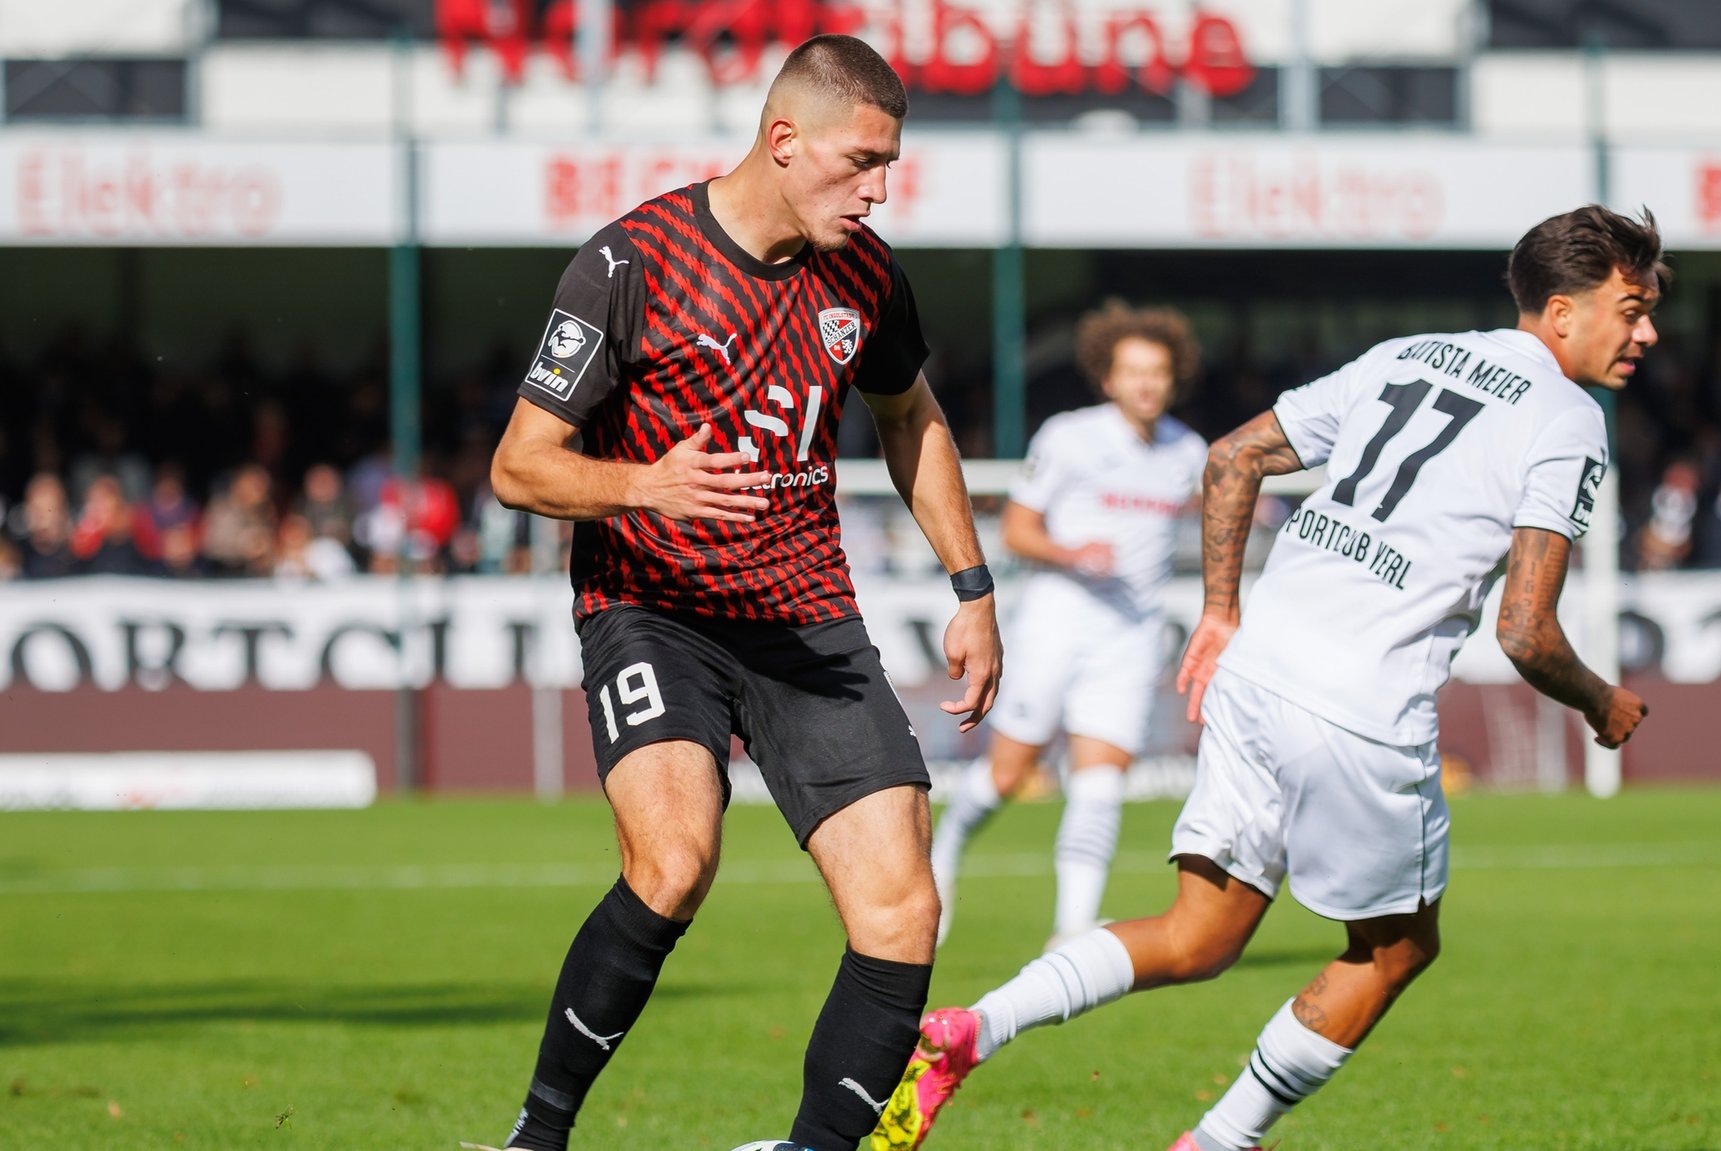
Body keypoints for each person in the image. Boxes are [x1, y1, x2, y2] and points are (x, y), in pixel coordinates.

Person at [870, 205, 1658, 1151]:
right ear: (1563, 311)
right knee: (1397, 948)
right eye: (1632, 307)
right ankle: (1217, 1142)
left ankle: (969, 1028)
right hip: (1361, 705)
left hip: (1257, 669)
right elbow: (1527, 631)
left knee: (1201, 933)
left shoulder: (1407, 355)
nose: (1646, 331)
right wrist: (1600, 700)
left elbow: (1233, 455)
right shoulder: (1569, 417)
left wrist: (1218, 609)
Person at [481, 36, 1001, 1151]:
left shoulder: (865, 274)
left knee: (904, 906)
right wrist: (640, 483)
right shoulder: (631, 264)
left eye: (889, 167)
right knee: (672, 862)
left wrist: (972, 583)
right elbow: (517, 465)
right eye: (860, 162)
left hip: (802, 615)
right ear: (782, 140)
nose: (876, 190)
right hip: (651, 605)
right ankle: (537, 1134)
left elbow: (907, 415)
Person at [930, 302, 1207, 951]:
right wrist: (1073, 553)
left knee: (1101, 777)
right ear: (1106, 379)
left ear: (1173, 379)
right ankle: (947, 844)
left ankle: (1072, 926)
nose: (1145, 383)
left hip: (1133, 634)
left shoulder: (1186, 451)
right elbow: (1018, 527)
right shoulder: (1069, 436)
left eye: (1157, 372)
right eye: (1132, 371)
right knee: (1008, 773)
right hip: (1058, 620)